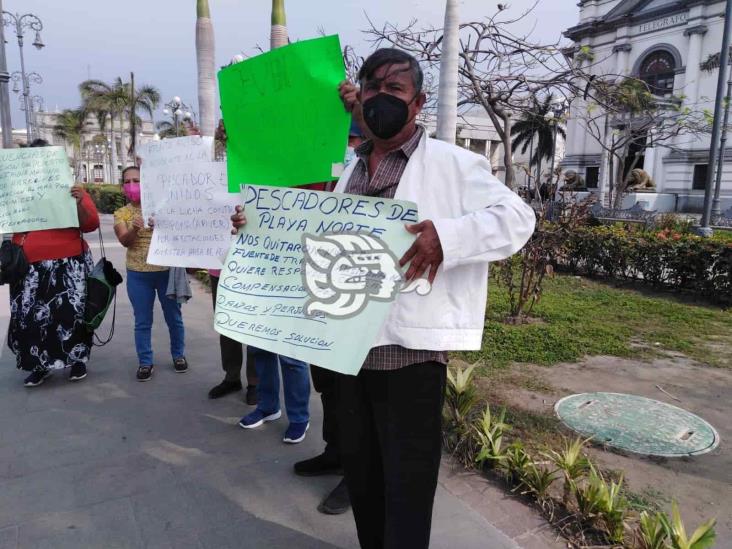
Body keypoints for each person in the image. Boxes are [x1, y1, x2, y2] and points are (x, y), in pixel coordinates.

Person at [292, 120, 366, 516]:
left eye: (353, 140)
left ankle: (356, 476)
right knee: (329, 386)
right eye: (343, 140)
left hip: (353, 298)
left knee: (353, 393)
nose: (348, 147)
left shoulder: (371, 173)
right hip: (316, 295)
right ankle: (334, 453)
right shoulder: (314, 173)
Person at [8, 139, 100, 386]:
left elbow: (90, 224)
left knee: (72, 313)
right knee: (31, 318)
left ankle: (77, 360)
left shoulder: (70, 188)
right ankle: (39, 365)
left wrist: (79, 201)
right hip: (28, 266)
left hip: (69, 263)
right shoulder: (15, 190)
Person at [113, 166, 188, 381]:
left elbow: (181, 233)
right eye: (127, 182)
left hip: (166, 271)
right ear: (122, 187)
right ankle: (145, 362)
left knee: (174, 317)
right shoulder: (122, 213)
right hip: (138, 274)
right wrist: (135, 229)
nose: (132, 185)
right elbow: (124, 241)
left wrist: (162, 226)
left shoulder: (163, 207)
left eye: (137, 180)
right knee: (142, 321)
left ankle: (179, 355)